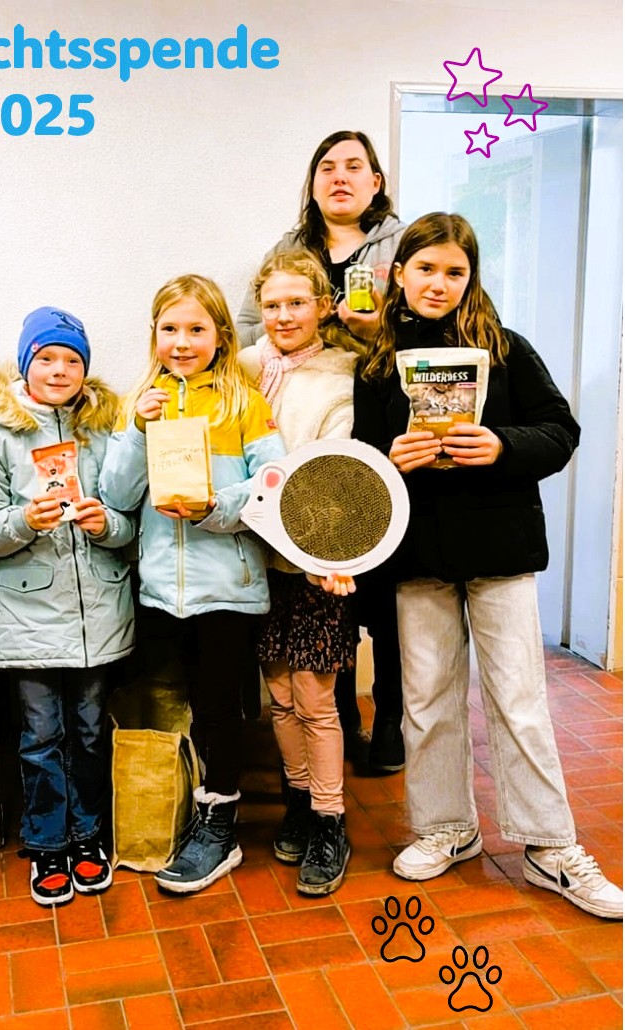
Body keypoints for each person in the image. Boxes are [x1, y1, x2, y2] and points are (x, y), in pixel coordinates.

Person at [353, 211, 622, 920]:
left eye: (454, 271)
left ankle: (550, 846)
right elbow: (360, 463)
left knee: (520, 700)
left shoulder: (505, 349)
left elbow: (560, 431)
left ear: (470, 278)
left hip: (500, 550)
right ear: (398, 274)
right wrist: (389, 458)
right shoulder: (376, 367)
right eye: (425, 268)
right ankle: (446, 827)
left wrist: (501, 445)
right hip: (417, 555)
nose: (437, 283)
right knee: (426, 702)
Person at [99, 274, 286, 894]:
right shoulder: (138, 403)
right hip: (158, 590)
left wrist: (215, 508)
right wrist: (136, 430)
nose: (182, 342)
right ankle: (177, 808)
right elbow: (115, 495)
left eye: (196, 329)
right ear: (153, 335)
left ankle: (221, 825)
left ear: (222, 336)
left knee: (218, 709)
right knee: (166, 703)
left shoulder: (243, 404)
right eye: (170, 329)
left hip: (227, 589)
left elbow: (274, 484)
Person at [236, 130, 407, 774]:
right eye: (327, 167)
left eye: (354, 166)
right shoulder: (287, 251)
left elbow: (424, 330)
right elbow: (250, 335)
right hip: (304, 432)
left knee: (381, 599)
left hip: (372, 416)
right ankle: (338, 731)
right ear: (312, 183)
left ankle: (387, 721)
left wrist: (374, 330)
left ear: (375, 181)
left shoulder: (401, 246)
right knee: (321, 608)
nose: (340, 177)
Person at [0, 307, 134, 907]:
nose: (59, 370)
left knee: (89, 731)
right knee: (40, 735)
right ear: (25, 365)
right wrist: (22, 522)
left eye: (72, 360)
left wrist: (106, 523)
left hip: (97, 617)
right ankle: (47, 843)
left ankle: (89, 836)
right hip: (26, 619)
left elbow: (131, 522)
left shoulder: (106, 433)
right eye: (46, 358)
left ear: (86, 370)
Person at [239, 250, 357, 894]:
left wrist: (324, 554)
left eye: (297, 303)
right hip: (256, 559)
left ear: (323, 306)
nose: (283, 316)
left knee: (315, 696)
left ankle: (330, 819)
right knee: (279, 693)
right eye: (272, 305)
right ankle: (299, 802)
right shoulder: (242, 367)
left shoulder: (341, 375)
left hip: (313, 558)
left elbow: (338, 471)